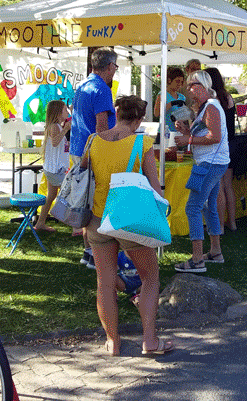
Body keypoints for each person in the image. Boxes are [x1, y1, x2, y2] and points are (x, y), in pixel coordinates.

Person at [83, 95, 173, 356]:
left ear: (117, 113)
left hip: (97, 219)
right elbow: (155, 188)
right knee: (150, 277)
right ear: (139, 119)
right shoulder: (142, 143)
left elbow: (82, 172)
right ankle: (150, 341)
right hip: (130, 219)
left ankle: (112, 341)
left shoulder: (93, 141)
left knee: (105, 281)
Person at [174, 71, 229, 272]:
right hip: (212, 162)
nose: (189, 89)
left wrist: (188, 140)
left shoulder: (211, 107)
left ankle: (197, 259)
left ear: (204, 86)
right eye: (188, 85)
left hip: (209, 164)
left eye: (192, 85)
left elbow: (215, 137)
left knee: (193, 207)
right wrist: (187, 133)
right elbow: (207, 135)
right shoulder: (207, 107)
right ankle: (215, 251)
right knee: (208, 206)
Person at [70, 48, 118, 267]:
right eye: (115, 67)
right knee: (96, 203)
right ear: (109, 66)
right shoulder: (101, 89)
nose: (115, 71)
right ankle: (94, 253)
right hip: (93, 153)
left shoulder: (82, 86)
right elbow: (101, 128)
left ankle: (88, 251)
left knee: (84, 201)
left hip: (78, 149)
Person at [204, 67, 237, 233]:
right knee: (228, 186)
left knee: (218, 188)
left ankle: (220, 226)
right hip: (231, 144)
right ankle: (232, 223)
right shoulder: (228, 96)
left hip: (218, 147)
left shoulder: (212, 100)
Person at [34, 100, 71, 232]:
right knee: (70, 194)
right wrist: (66, 129)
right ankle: (75, 225)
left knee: (51, 196)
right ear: (58, 113)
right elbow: (55, 142)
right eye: (65, 110)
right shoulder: (54, 127)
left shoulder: (57, 126)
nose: (67, 112)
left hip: (53, 168)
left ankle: (40, 223)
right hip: (56, 169)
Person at [153, 66, 186, 135]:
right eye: (177, 81)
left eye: (181, 82)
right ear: (169, 80)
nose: (179, 84)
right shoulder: (162, 95)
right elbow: (156, 114)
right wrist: (171, 104)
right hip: (165, 133)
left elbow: (183, 117)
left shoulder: (182, 97)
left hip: (178, 133)